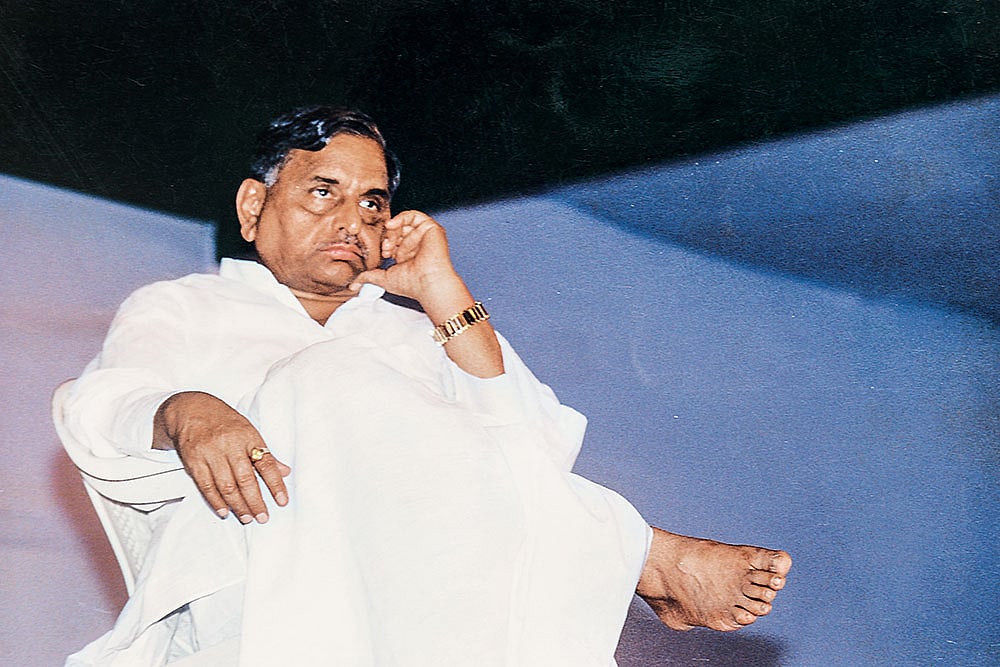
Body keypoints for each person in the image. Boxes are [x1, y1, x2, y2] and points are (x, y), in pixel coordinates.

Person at [63, 106, 791, 666]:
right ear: (253, 207)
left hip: (429, 583)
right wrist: (186, 409)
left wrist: (441, 290)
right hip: (265, 576)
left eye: (372, 203)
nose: (352, 220)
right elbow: (99, 405)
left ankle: (640, 555)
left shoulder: (407, 332)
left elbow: (531, 445)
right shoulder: (187, 307)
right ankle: (643, 555)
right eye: (324, 192)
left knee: (366, 382)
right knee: (326, 375)